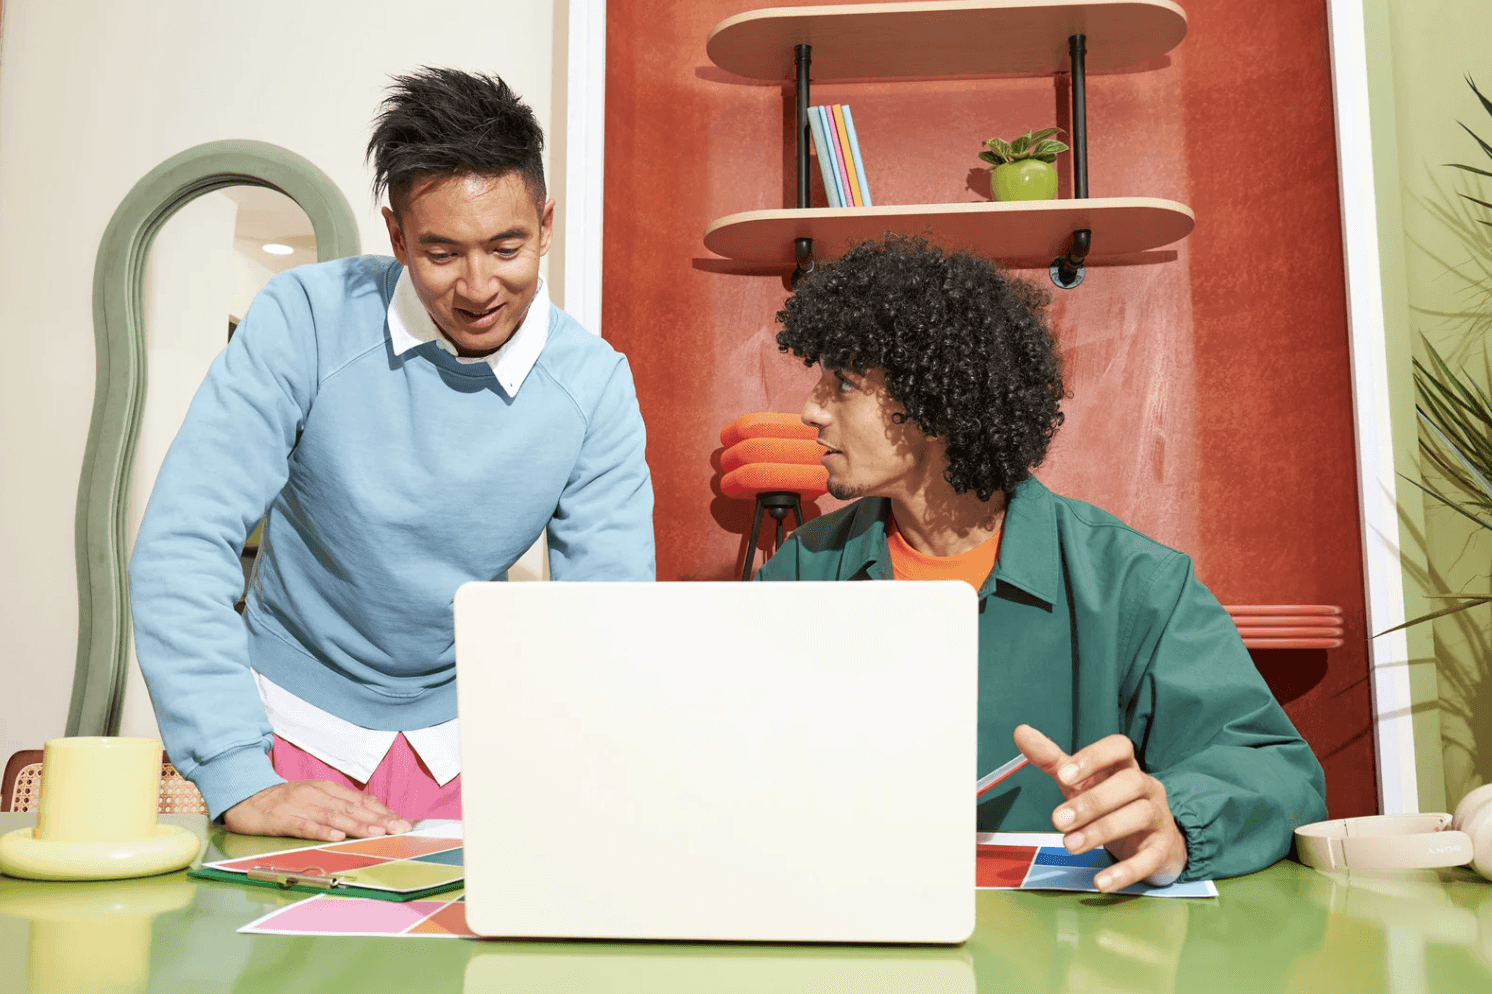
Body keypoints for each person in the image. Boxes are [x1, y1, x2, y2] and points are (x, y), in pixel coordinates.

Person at [130, 68, 654, 841]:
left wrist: (599, 786)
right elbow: (182, 545)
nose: (479, 286)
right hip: (286, 729)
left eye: (507, 246)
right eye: (442, 253)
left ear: (545, 225)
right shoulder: (304, 321)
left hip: (475, 734)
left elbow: (605, 619)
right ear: (397, 234)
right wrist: (239, 769)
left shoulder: (593, 386)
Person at [755, 234, 1327, 891]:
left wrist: (1174, 824)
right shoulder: (801, 572)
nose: (809, 410)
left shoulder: (1135, 584)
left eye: (842, 386)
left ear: (935, 404)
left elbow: (1277, 770)